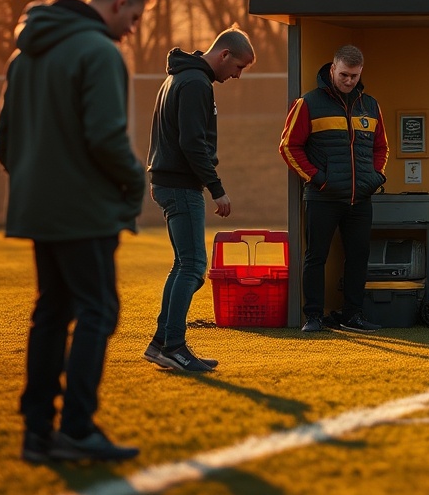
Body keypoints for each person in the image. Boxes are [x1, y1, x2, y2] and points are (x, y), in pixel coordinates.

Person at [0, 0, 151, 463]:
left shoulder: (24, 57)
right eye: (136, 18)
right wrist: (135, 179)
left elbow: (3, 140)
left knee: (51, 311)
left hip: (39, 209)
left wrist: (35, 179)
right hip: (85, 211)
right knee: (98, 311)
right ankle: (78, 428)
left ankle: (37, 431)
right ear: (119, 4)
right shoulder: (99, 52)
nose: (134, 31)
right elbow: (105, 138)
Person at [144, 26, 256, 372]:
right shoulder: (195, 83)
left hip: (168, 181)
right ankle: (174, 346)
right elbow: (192, 142)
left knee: (184, 265)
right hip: (180, 184)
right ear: (224, 55)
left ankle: (161, 343)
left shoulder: (180, 77)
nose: (237, 75)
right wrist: (216, 187)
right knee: (193, 268)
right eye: (238, 67)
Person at [279, 45, 388, 333]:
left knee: (358, 256)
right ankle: (313, 316)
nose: (349, 81)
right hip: (322, 197)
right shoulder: (308, 103)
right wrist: (319, 179)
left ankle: (353, 315)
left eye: (354, 76)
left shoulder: (372, 106)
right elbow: (289, 147)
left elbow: (382, 147)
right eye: (344, 75)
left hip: (360, 198)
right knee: (316, 256)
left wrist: (376, 177)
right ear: (332, 70)